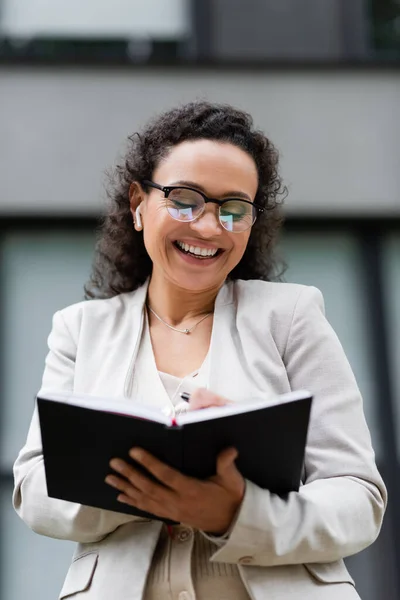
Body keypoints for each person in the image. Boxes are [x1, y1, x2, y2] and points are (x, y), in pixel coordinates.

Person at [13, 102, 386, 600]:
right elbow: (35, 490)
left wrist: (236, 512)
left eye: (234, 209)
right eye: (184, 199)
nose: (209, 228)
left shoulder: (292, 316)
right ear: (138, 203)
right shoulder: (80, 331)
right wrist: (142, 486)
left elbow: (358, 498)